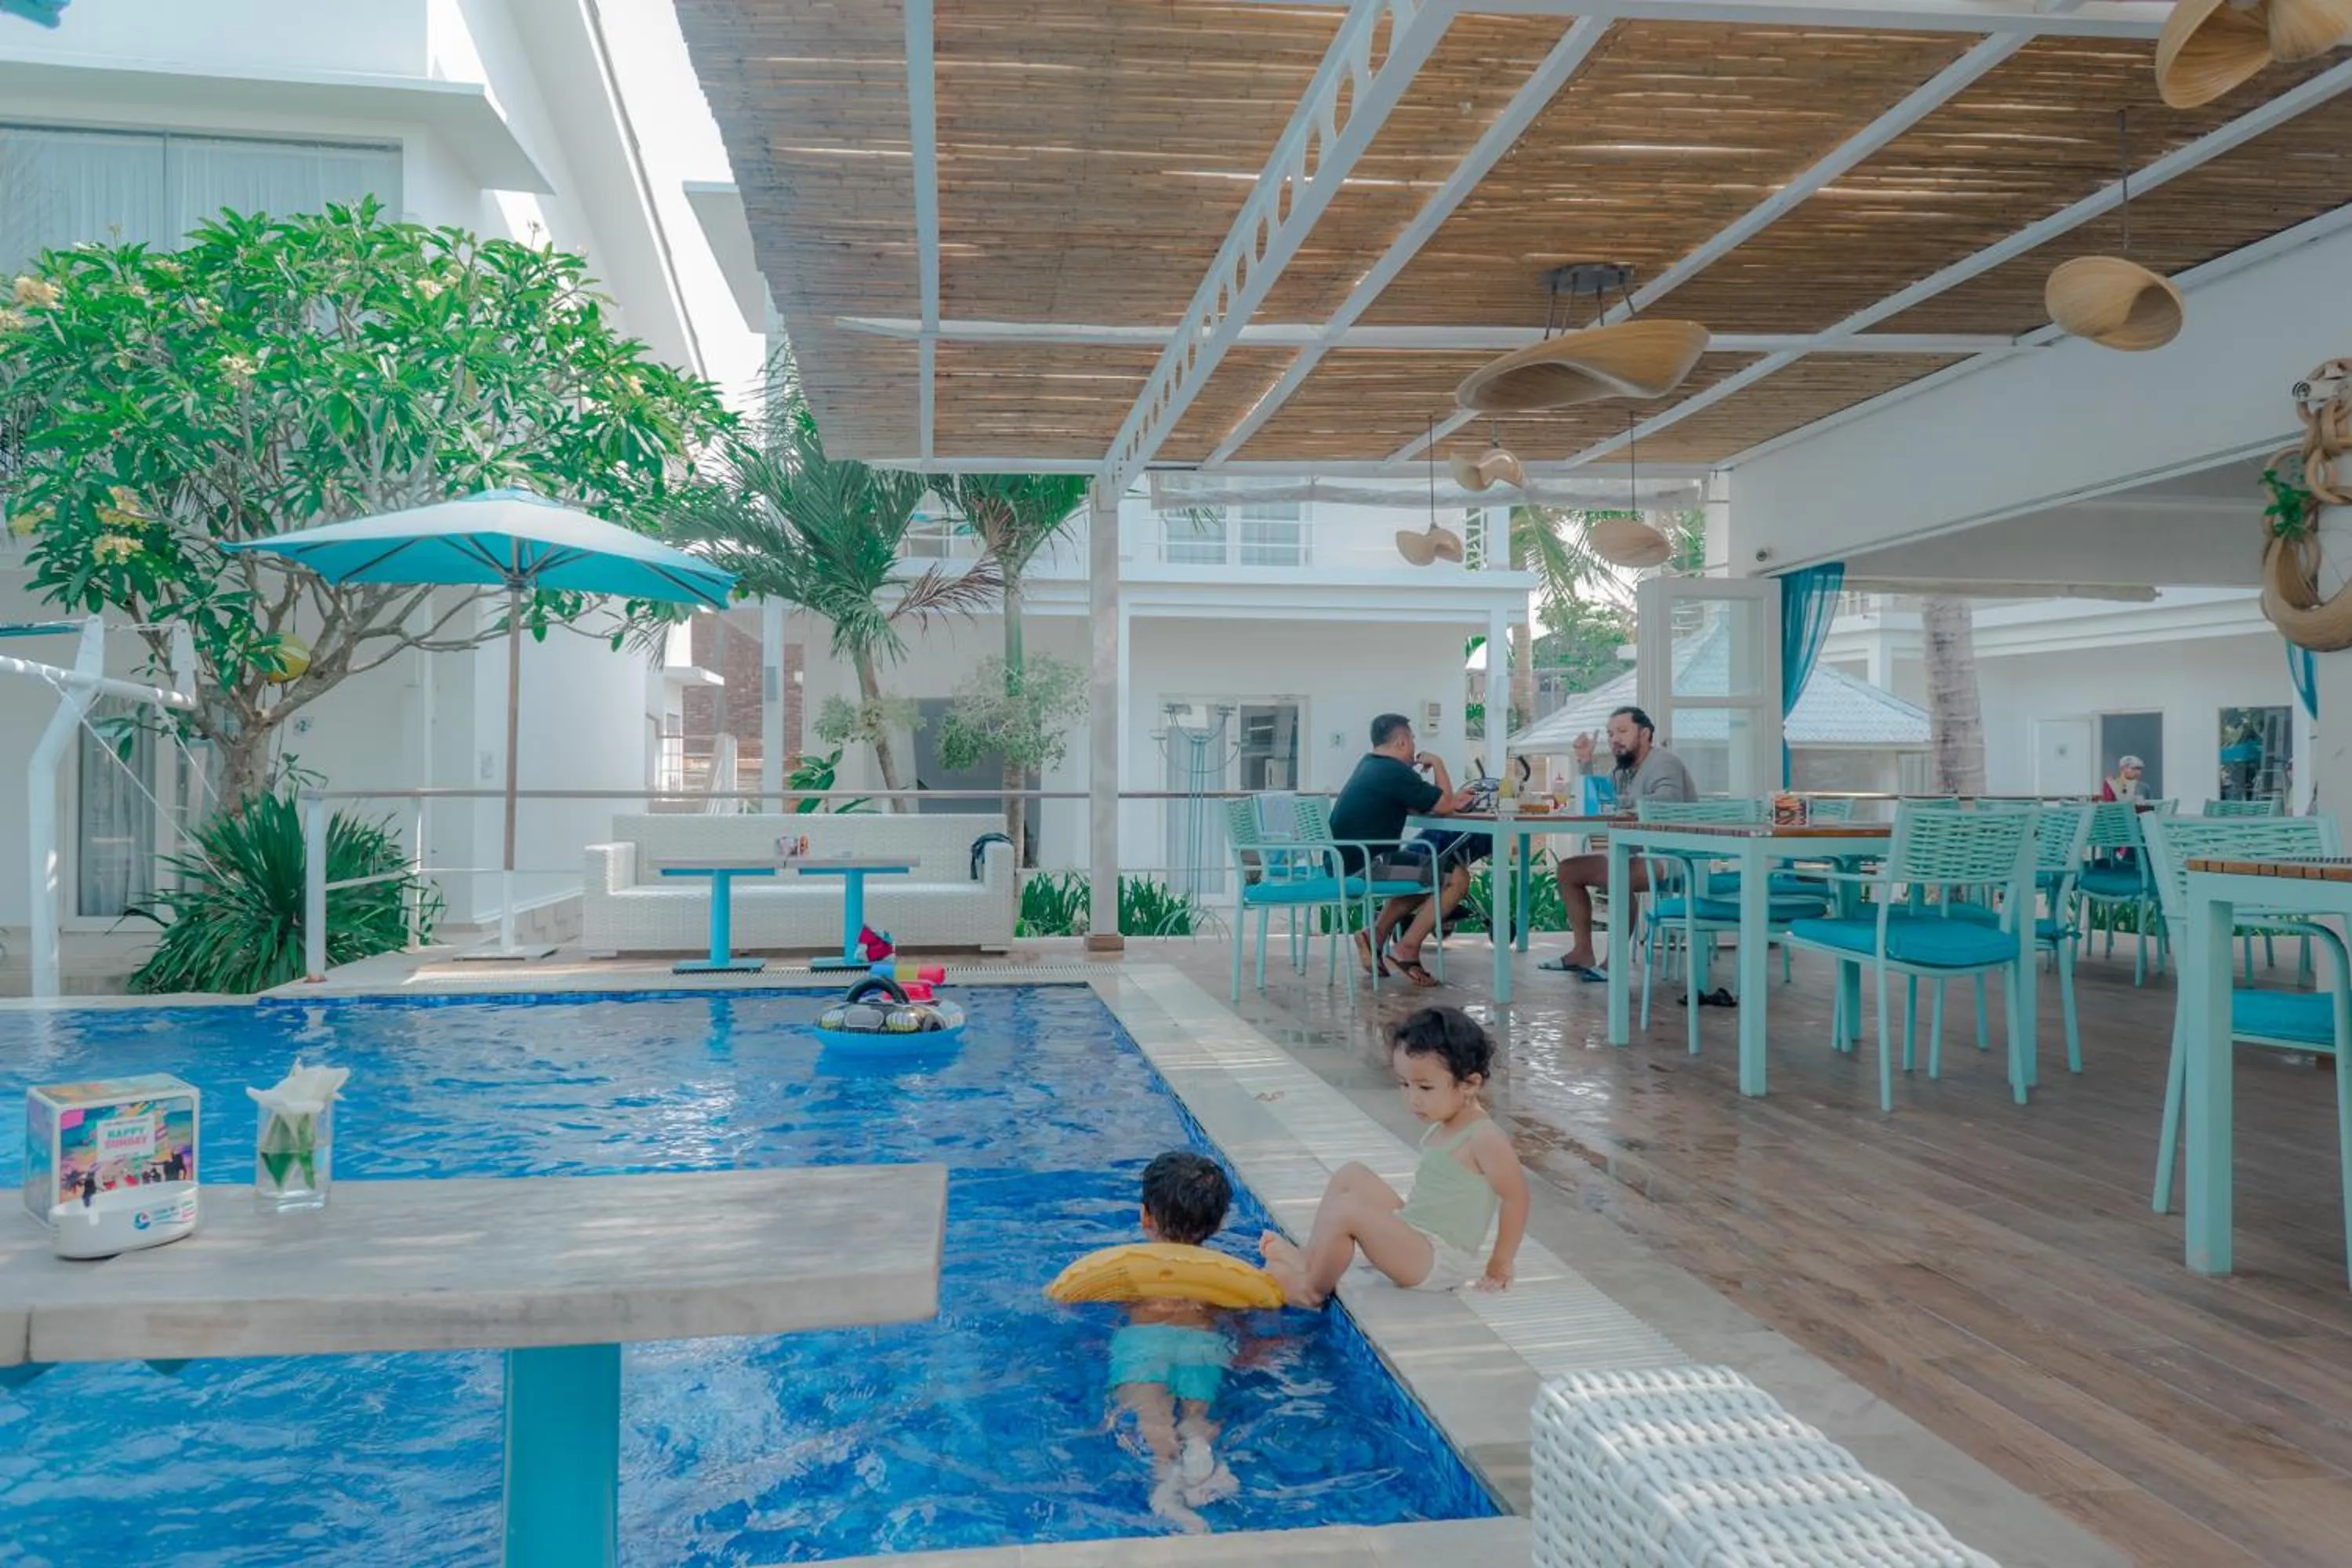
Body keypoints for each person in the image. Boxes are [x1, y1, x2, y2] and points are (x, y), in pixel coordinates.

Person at [1258, 1007, 1528, 1308]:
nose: (1412, 1098)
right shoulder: (1447, 1121)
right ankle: (1310, 1257)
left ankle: (1311, 1291)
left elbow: (1516, 1198)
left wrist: (1501, 1263)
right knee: (1352, 1174)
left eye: (1425, 1087)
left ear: (1470, 1084)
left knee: (1348, 1210)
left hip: (1439, 1261)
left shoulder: (1484, 1137)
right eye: (1404, 1084)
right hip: (1417, 1233)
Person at [1109, 1150, 1245, 1533]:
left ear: (1145, 1216)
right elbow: (1238, 1320)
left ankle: (1165, 1484)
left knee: (1151, 1415)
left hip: (1142, 1344)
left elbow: (1102, 1311)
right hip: (1202, 1343)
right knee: (1197, 1416)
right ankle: (1201, 1454)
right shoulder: (1223, 1278)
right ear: (1217, 1224)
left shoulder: (1125, 1271)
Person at [1540, 705, 1697, 981]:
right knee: (1568, 871)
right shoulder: (1623, 771)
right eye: (1611, 733)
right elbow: (1600, 799)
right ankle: (1582, 953)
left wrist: (1618, 803)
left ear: (1645, 733)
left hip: (1672, 857)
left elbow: (1667, 801)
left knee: (1618, 872)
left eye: (1622, 732)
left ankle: (1614, 963)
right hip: (1635, 855)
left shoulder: (1664, 763)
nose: (1615, 739)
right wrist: (1585, 761)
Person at [1328, 713, 1474, 989]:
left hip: (1347, 859)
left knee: (1422, 875)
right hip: (1367, 863)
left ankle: (1376, 935)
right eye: (1412, 742)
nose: (1413, 750)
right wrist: (1438, 764)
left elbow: (1421, 804)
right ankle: (1406, 949)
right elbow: (1443, 806)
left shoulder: (1370, 765)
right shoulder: (1394, 771)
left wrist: (1451, 801)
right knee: (1457, 878)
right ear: (1401, 741)